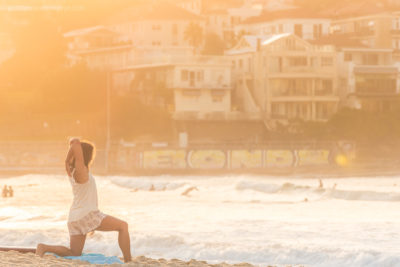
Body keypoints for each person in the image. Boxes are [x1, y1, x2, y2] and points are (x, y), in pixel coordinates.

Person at [36, 138, 132, 262]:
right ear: (87, 155)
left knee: (74, 252)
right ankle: (129, 261)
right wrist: (71, 152)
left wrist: (68, 159)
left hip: (74, 218)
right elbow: (75, 143)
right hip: (88, 214)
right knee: (123, 226)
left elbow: (73, 145)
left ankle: (43, 247)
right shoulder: (81, 171)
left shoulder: (72, 170)